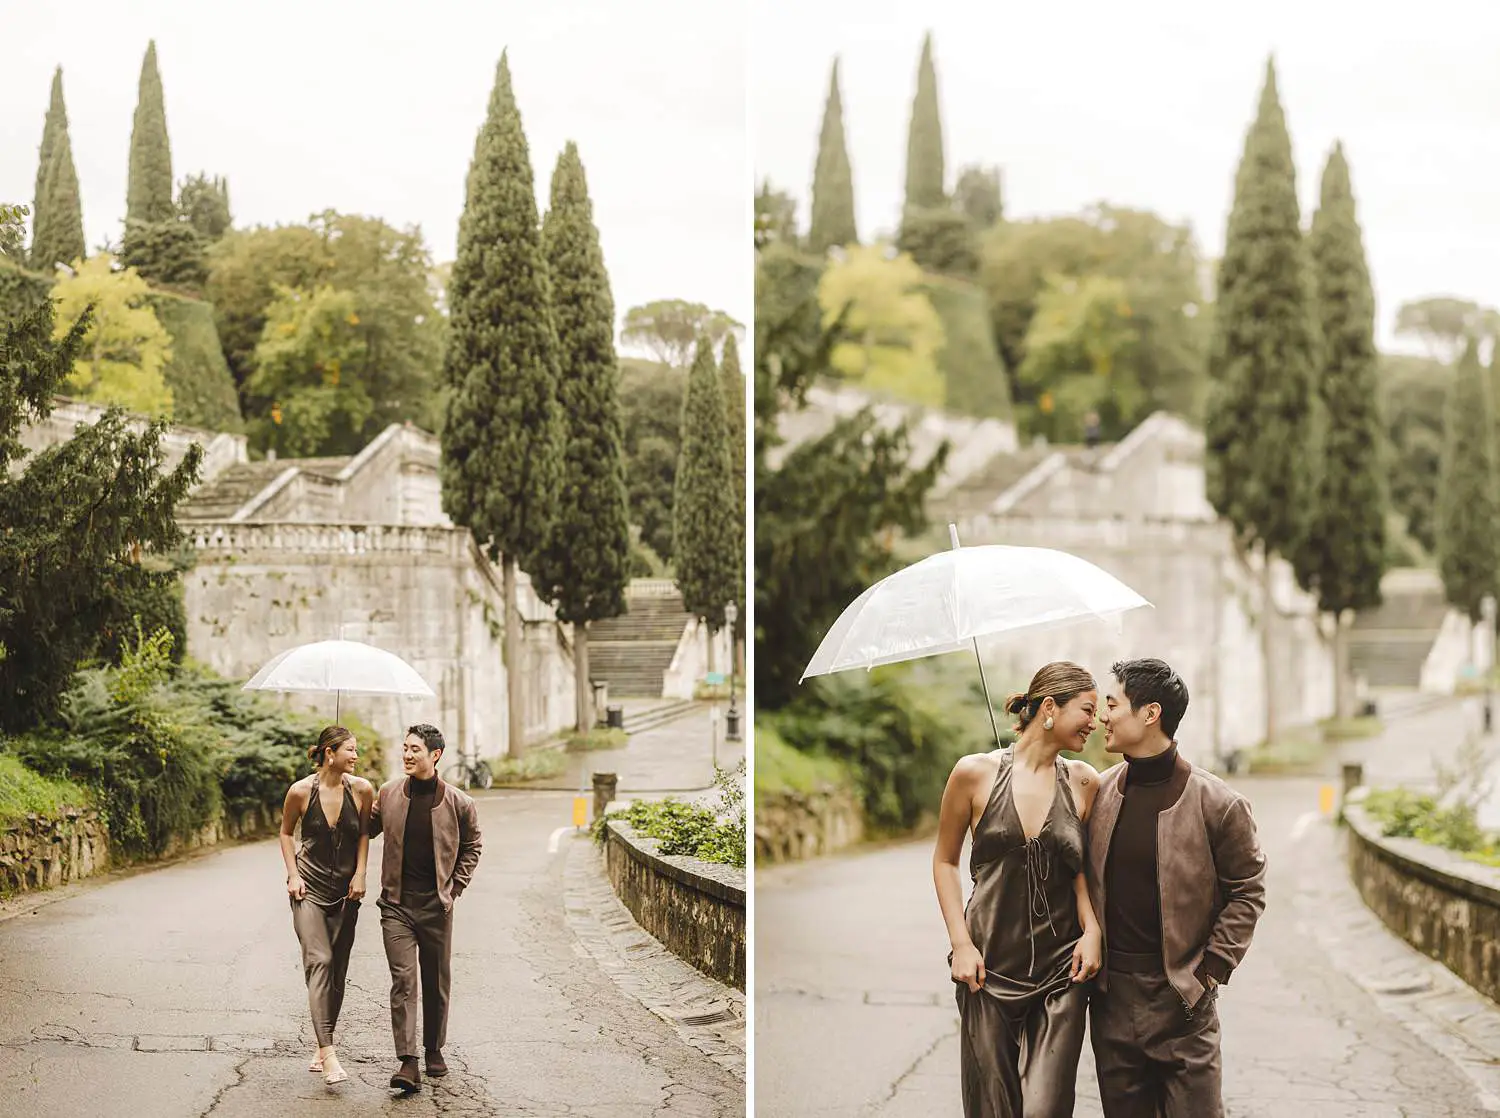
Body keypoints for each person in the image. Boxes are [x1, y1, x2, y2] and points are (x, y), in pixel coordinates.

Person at [1087, 658, 1267, 1118]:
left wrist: (1210, 970)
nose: (1103, 717)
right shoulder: (1098, 794)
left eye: (1112, 704)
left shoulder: (1219, 803)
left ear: (1150, 714)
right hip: (1111, 1002)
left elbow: (1248, 889)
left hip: (1184, 1000)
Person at [933, 660, 1104, 1117]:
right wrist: (960, 944)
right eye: (1086, 709)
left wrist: (1092, 931)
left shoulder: (1085, 781)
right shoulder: (974, 773)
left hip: (1061, 969)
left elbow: (1081, 870)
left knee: (1045, 1108)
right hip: (987, 965)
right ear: (1050, 706)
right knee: (993, 1105)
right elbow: (946, 861)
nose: (1096, 720)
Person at [369, 723, 483, 1092]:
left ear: (435, 755)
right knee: (403, 980)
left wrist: (455, 888)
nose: (406, 754)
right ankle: (408, 1061)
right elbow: (363, 828)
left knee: (436, 981)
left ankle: (434, 1049)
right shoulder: (388, 794)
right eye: (404, 747)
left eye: (415, 749)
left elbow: (472, 847)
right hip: (396, 906)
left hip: (437, 906)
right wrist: (342, 786)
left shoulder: (459, 802)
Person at [278, 725, 374, 1087]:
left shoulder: (362, 789)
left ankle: (322, 1043)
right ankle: (330, 1051)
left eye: (356, 750)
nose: (356, 755)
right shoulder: (300, 792)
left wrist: (361, 873)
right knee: (320, 961)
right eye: (350, 749)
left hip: (348, 893)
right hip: (308, 891)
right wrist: (292, 875)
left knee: (337, 970)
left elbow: (364, 833)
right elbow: (286, 833)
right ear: (329, 753)